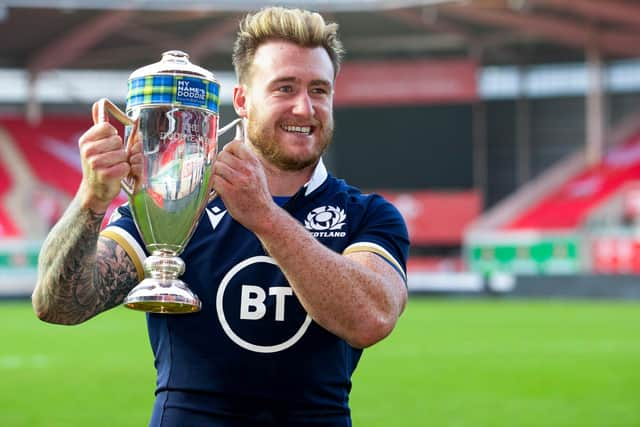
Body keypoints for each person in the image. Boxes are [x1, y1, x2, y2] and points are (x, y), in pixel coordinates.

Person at [33, 6, 409, 427]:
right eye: (284, 88)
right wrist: (91, 200)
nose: (305, 108)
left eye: (319, 90)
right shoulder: (178, 199)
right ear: (243, 101)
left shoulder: (368, 215)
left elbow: (371, 320)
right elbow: (57, 305)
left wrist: (264, 216)